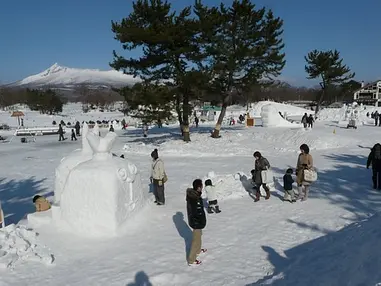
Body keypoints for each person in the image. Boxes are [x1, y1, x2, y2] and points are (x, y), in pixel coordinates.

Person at [186, 179, 207, 266]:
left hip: (197, 221)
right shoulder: (195, 198)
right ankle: (191, 260)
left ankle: (198, 250)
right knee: (195, 240)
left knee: (199, 236)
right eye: (201, 186)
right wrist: (200, 221)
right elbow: (196, 211)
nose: (202, 187)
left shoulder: (195, 195)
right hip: (196, 222)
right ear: (198, 187)